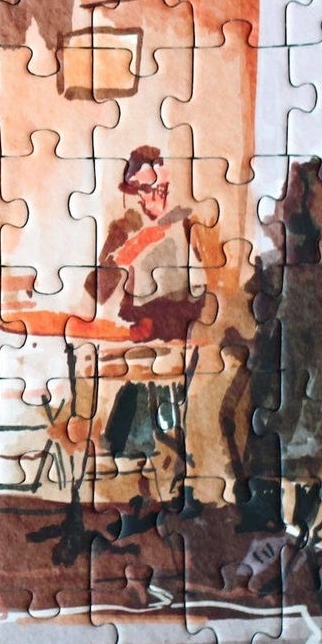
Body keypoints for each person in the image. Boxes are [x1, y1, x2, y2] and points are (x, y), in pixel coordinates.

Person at [90, 146, 206, 504]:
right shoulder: (124, 228)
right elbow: (97, 292)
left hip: (174, 346)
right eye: (144, 191)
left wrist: (157, 317)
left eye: (160, 190)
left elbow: (201, 296)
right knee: (132, 403)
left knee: (157, 407)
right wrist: (123, 251)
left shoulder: (186, 226)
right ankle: (146, 483)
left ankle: (162, 480)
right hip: (138, 347)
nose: (153, 199)